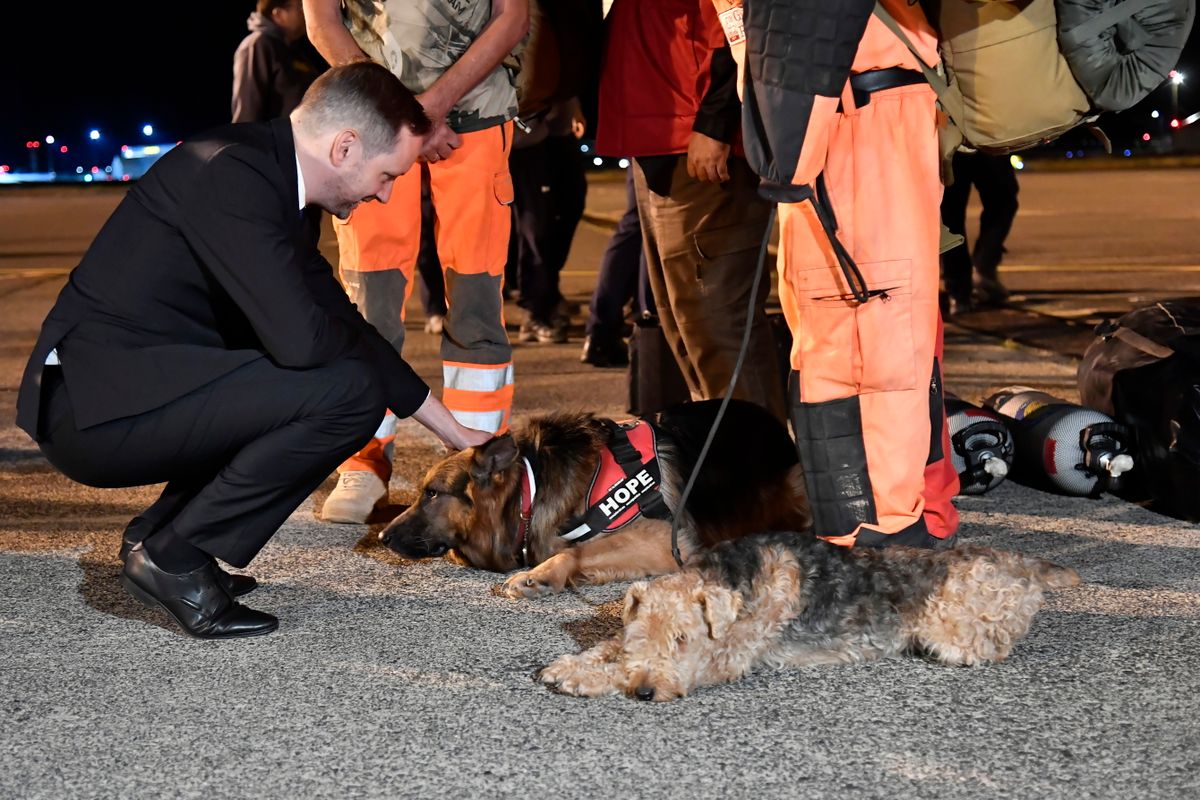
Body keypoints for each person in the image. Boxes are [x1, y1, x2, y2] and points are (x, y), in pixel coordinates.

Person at [14, 63, 493, 640]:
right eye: (388, 173)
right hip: (93, 412)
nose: (385, 193)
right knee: (346, 392)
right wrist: (344, 348)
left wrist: (455, 433)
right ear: (345, 146)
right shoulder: (234, 177)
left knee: (342, 374)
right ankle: (175, 555)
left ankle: (159, 536)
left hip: (137, 390)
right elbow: (303, 342)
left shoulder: (269, 179)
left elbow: (344, 323)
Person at [713, 0, 960, 548]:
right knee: (852, 337)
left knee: (864, 340)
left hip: (846, 120)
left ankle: (880, 538)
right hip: (855, 112)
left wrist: (786, 149)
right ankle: (872, 528)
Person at [304, 0, 529, 524]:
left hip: (476, 110)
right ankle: (363, 461)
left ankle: (478, 468)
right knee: (369, 303)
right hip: (370, 118)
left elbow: (512, 17)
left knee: (475, 302)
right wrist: (404, 111)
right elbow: (322, 20)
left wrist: (431, 105)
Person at [594, 0, 787, 425]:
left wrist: (717, 121)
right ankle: (726, 459)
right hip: (660, 133)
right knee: (688, 329)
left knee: (719, 329)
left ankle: (760, 475)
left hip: (696, 137)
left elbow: (745, 19)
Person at [940, 150, 1019, 314]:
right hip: (980, 135)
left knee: (950, 215)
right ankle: (980, 270)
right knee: (1002, 198)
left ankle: (960, 288)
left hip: (952, 136)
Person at [580, 167, 644, 368]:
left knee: (639, 227)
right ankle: (605, 330)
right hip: (665, 145)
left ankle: (603, 331)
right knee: (641, 225)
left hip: (649, 146)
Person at [231, 0, 328, 124]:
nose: (304, 12)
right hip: (273, 141)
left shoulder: (295, 50)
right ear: (278, 14)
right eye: (299, 7)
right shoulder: (258, 44)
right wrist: (246, 140)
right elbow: (248, 108)